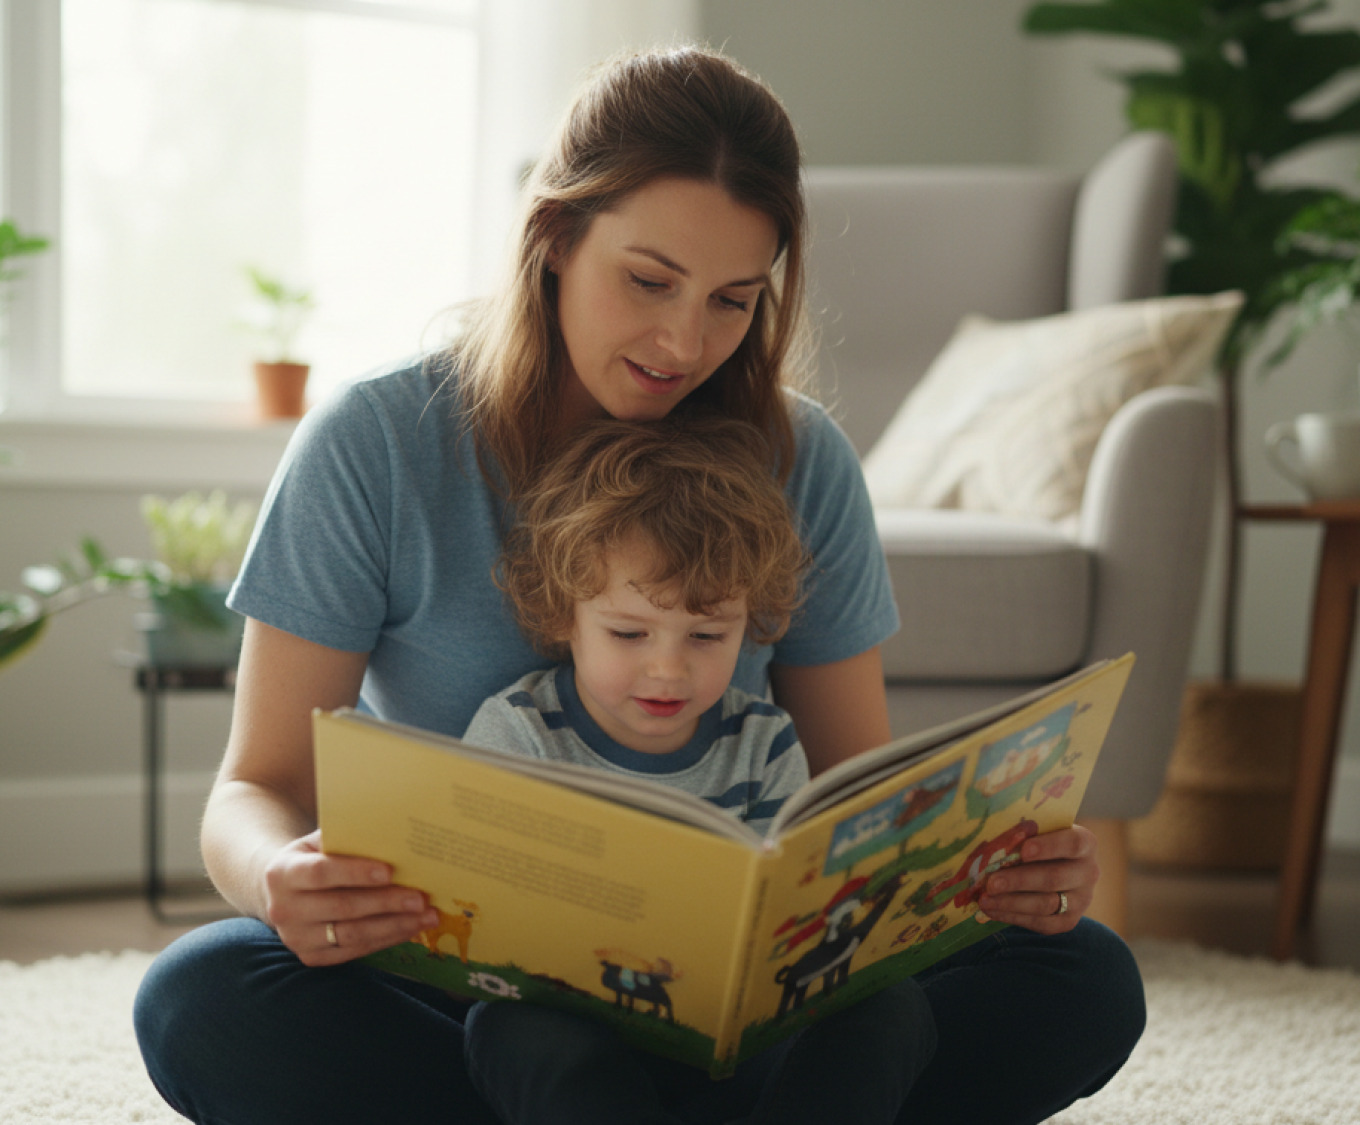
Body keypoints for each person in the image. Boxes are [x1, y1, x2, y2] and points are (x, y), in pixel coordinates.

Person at [133, 44, 1144, 1125]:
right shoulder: (375, 443)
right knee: (203, 1000)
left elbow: (857, 800)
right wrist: (278, 876)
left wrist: (980, 878)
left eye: (731, 301)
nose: (682, 341)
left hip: (752, 1018)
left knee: (1078, 974)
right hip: (486, 1001)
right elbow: (254, 789)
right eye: (648, 281)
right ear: (555, 238)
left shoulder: (800, 461)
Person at [458, 413, 934, 1125]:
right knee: (509, 1032)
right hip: (572, 1028)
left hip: (732, 1040)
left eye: (709, 636)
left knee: (894, 1007)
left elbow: (790, 906)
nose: (668, 668)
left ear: (749, 623)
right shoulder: (517, 731)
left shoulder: (764, 740)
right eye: (628, 632)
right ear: (565, 614)